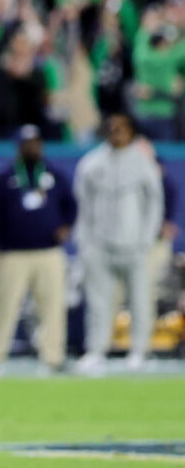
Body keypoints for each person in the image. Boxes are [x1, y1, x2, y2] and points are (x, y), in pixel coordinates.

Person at [0, 125, 77, 376]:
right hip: (13, 253)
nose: (32, 147)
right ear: (19, 146)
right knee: (7, 306)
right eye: (27, 143)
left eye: (36, 143)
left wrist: (66, 227)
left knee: (52, 306)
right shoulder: (2, 178)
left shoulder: (55, 174)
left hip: (48, 252)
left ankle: (53, 357)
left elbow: (72, 206)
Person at [74, 114, 163, 376]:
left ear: (131, 132)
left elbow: (155, 202)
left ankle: (139, 352)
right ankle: (96, 351)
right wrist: (85, 241)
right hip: (100, 245)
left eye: (122, 129)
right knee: (98, 302)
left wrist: (147, 238)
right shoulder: (92, 163)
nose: (117, 134)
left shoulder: (143, 162)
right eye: (112, 129)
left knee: (141, 301)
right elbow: (83, 205)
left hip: (135, 245)